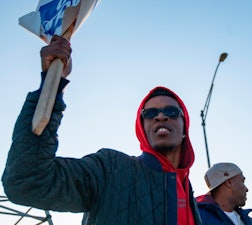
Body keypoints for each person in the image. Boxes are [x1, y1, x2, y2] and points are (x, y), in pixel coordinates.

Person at [2, 35, 202, 225]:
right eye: (150, 114)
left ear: (185, 127)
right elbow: (27, 181)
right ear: (142, 129)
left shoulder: (189, 193)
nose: (160, 116)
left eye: (171, 111)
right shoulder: (110, 169)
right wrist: (52, 84)